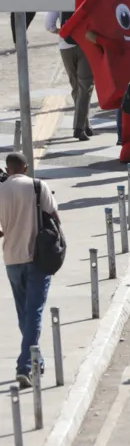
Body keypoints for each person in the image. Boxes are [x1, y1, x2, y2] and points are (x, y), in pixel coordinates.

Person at [0, 152, 59, 389]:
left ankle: (37, 359)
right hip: (37, 257)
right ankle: (25, 366)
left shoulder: (1, 190)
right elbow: (55, 217)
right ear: (25, 168)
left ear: (8, 168)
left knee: (24, 312)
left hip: (11, 258)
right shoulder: (37, 186)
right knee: (34, 311)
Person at [46, 0, 95, 141]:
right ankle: (79, 127)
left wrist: (63, 32)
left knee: (77, 87)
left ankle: (85, 124)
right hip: (85, 45)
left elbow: (49, 25)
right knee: (86, 85)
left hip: (65, 46)